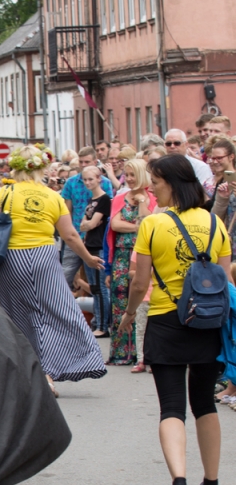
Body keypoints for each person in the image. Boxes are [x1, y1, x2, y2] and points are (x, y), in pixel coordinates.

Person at [119, 155, 231, 485]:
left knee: (171, 407)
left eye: (156, 181)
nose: (150, 187)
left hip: (167, 319)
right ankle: (211, 483)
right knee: (205, 403)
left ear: (173, 182)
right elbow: (225, 279)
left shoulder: (152, 224)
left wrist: (129, 313)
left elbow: (139, 282)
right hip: (207, 322)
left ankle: (179, 481)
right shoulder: (215, 222)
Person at [0, 144, 106, 392]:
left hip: (12, 258)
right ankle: (59, 366)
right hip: (44, 257)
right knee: (56, 311)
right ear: (41, 168)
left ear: (15, 168)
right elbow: (69, 235)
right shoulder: (52, 195)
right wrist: (89, 258)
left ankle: (31, 372)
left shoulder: (5, 193)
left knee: (17, 314)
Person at [105, 159, 156, 365]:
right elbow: (115, 224)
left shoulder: (153, 197)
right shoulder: (119, 197)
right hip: (121, 256)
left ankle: (142, 352)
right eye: (126, 174)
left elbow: (148, 222)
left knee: (142, 301)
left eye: (133, 174)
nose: (129, 179)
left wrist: (143, 202)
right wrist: (135, 226)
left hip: (143, 255)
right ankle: (122, 352)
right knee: (120, 302)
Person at [60, 146, 114, 285]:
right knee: (65, 275)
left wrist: (91, 224)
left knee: (98, 282)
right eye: (81, 162)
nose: (83, 165)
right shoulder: (71, 182)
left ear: (95, 162)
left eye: (87, 162)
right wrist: (69, 231)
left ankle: (100, 307)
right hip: (75, 234)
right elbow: (67, 210)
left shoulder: (105, 183)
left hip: (97, 238)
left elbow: (108, 210)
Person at [79, 165, 112, 337]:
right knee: (94, 287)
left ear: (99, 179)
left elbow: (90, 224)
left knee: (100, 288)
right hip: (88, 245)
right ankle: (98, 322)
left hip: (98, 246)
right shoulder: (91, 201)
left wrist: (90, 224)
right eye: (85, 179)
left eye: (91, 179)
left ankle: (103, 325)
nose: (88, 182)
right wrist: (88, 224)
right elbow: (83, 224)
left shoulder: (105, 199)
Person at [163, 129, 214, 194]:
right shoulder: (160, 167)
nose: (172, 146)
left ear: (186, 144)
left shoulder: (200, 167)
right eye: (168, 144)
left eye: (177, 143)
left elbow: (203, 194)